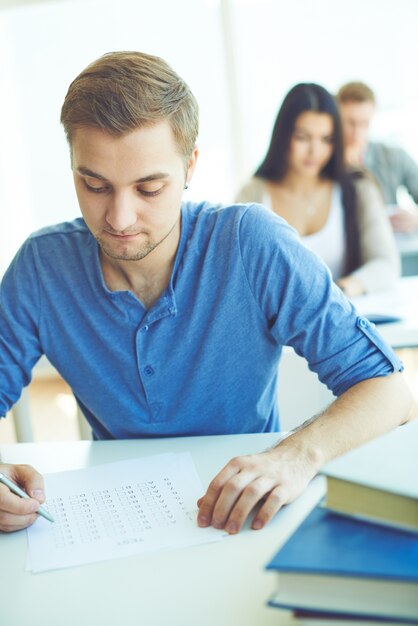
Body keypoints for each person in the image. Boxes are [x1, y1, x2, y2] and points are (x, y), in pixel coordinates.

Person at [0, 52, 414, 536]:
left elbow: (390, 394)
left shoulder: (251, 242)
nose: (119, 218)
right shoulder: (42, 266)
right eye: (94, 184)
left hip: (245, 518)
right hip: (111, 524)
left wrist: (294, 456)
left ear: (190, 166)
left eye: (150, 188)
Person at [236, 83, 399, 298]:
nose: (315, 151)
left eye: (326, 140)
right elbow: (235, 273)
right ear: (283, 137)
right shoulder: (253, 195)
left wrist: (343, 289)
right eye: (303, 137)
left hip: (339, 319)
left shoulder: (357, 189)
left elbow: (386, 264)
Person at [336, 81, 418, 234]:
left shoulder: (393, 156)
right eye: (350, 123)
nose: (357, 132)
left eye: (364, 124)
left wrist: (416, 218)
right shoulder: (323, 161)